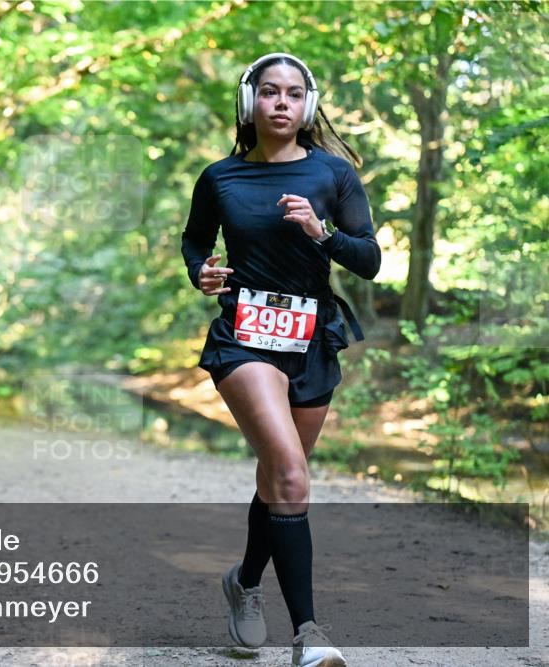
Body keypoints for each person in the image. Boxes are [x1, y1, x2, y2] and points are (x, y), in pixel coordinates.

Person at [182, 53, 380, 667]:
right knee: (291, 472)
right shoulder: (221, 178)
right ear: (251, 102)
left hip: (311, 339)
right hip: (244, 337)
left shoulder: (334, 175)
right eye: (270, 92)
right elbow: (195, 241)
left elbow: (369, 260)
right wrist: (202, 273)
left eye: (294, 94)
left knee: (277, 481)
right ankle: (310, 635)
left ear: (309, 105)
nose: (282, 104)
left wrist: (323, 234)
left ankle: (243, 581)